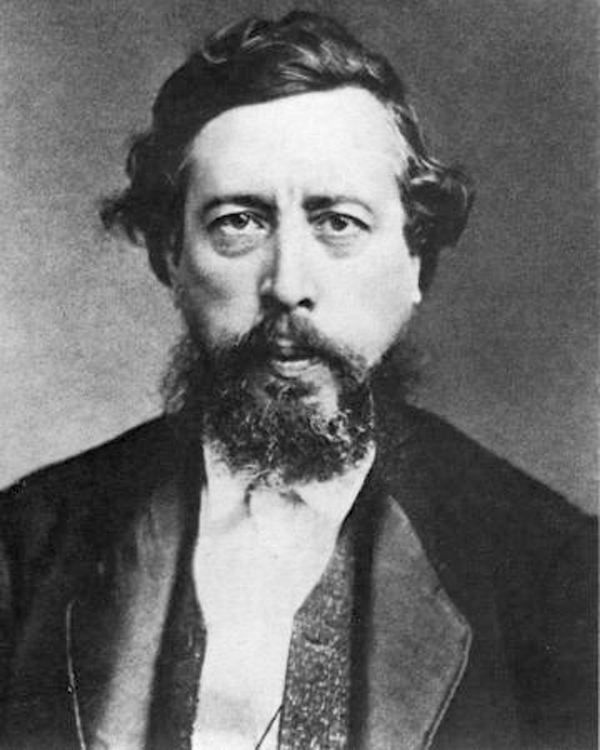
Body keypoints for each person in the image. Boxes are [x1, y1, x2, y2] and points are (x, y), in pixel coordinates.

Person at [0, 11, 595, 750]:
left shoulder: (553, 574)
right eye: (239, 222)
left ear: (414, 262)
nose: (287, 284)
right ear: (170, 257)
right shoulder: (25, 550)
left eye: (337, 222)